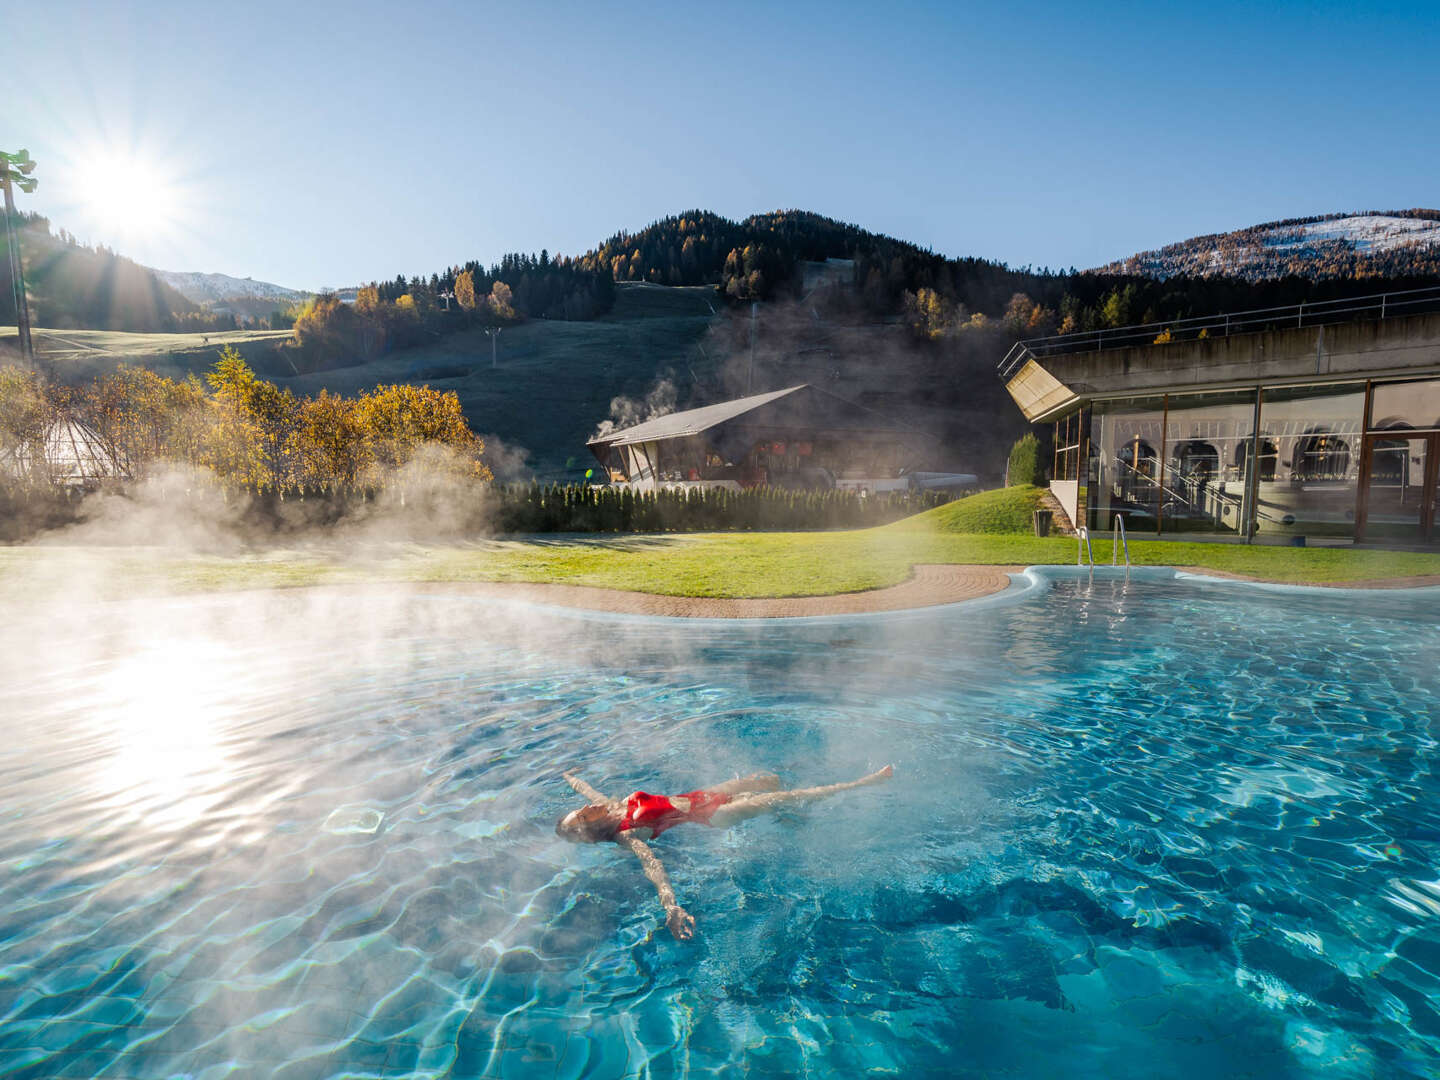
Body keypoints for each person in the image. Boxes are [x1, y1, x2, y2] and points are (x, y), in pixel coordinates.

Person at [556, 765, 894, 940]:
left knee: (769, 779)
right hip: (713, 815)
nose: (587, 805)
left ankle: (789, 821)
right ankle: (865, 783)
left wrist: (571, 778)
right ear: (591, 828)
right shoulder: (627, 834)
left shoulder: (611, 807)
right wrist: (671, 905)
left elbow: (587, 789)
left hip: (702, 795)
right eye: (584, 814)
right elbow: (652, 865)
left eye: (581, 808)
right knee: (788, 795)